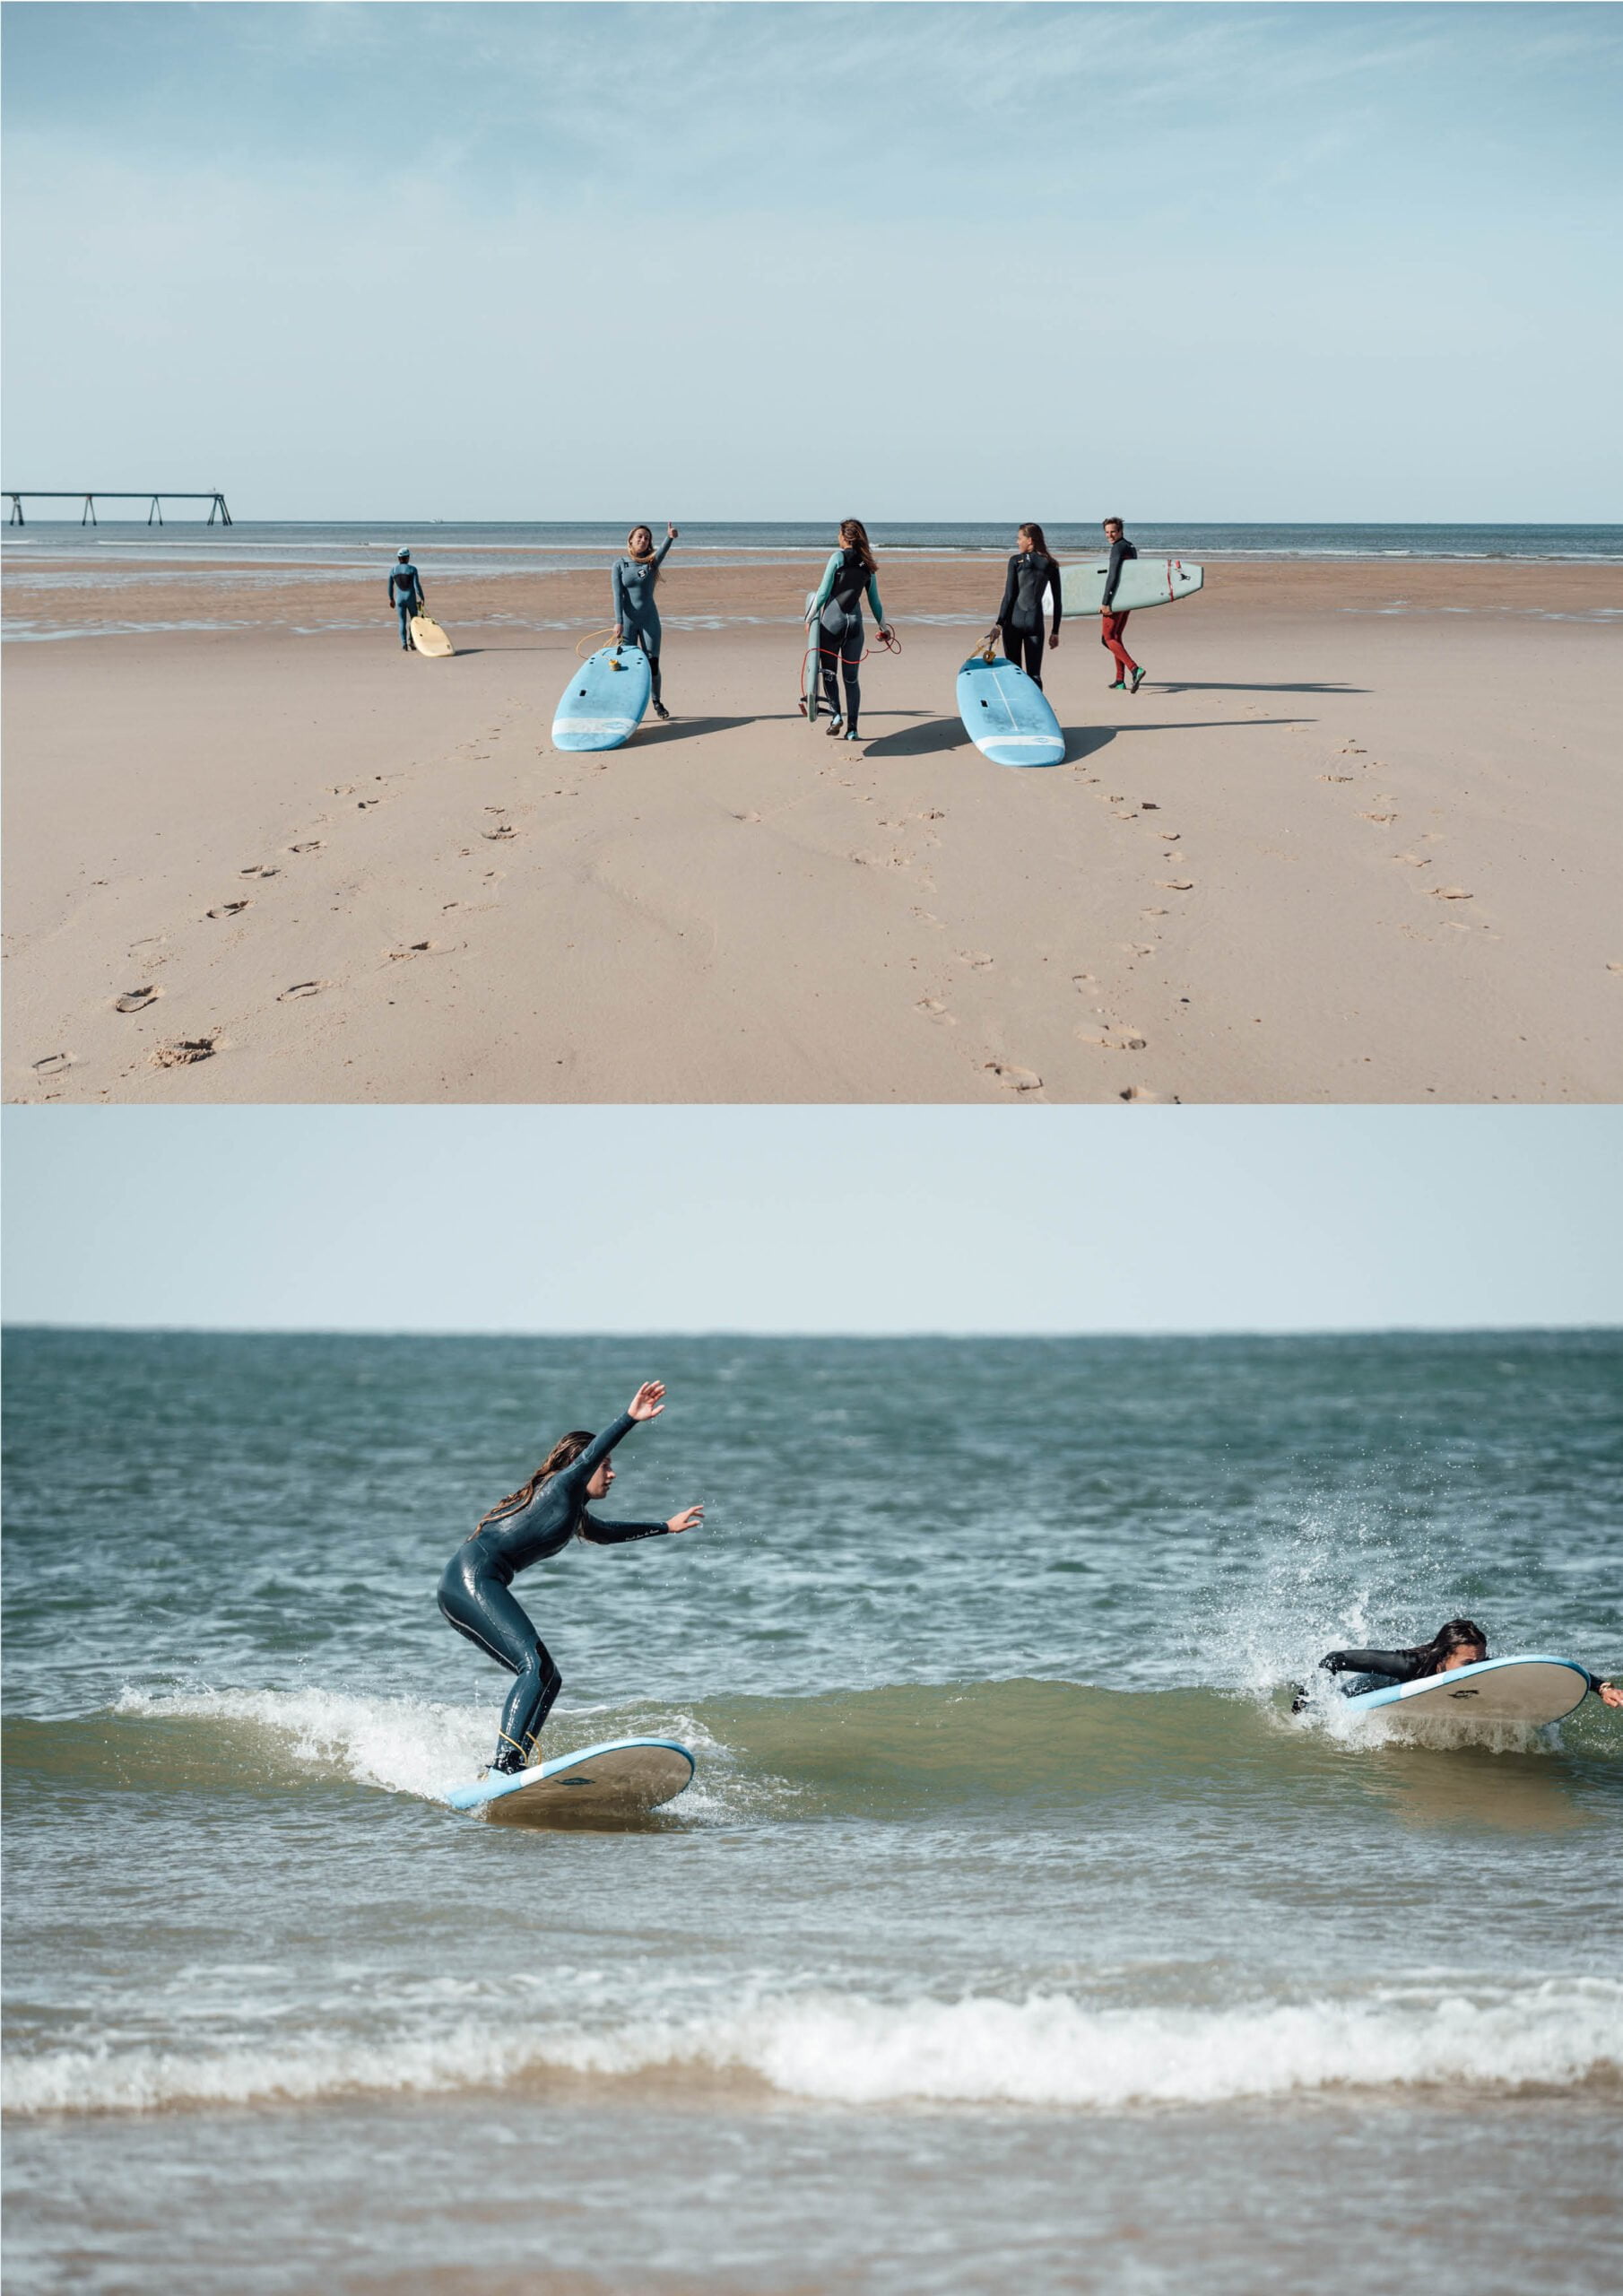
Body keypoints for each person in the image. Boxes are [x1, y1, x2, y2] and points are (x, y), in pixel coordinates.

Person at [438, 1379, 703, 1775]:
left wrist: (665, 1526)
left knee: (548, 1676)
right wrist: (630, 1418)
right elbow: (588, 1457)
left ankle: (513, 1764)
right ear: (585, 1466)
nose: (612, 1473)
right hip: (470, 1580)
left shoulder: (572, 1510)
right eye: (606, 1465)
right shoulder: (561, 1487)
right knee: (533, 1667)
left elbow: (606, 1533)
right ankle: (504, 1764)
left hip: (472, 1583)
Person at [1300, 1617, 1622, 1708]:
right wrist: (1305, 1700)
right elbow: (1333, 1659)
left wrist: (1602, 1687)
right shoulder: (1406, 1664)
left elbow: (1539, 1671)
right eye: (1468, 1663)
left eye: (1480, 1660)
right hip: (1373, 1689)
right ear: (1443, 1657)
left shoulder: (1476, 1665)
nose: (1477, 1667)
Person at [809, 519, 894, 742]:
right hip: (855, 626)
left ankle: (836, 716)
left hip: (832, 624)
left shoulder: (837, 558)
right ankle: (853, 730)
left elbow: (823, 593)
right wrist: (884, 628)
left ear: (844, 536)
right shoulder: (868, 564)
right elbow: (875, 602)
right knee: (851, 679)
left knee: (829, 673)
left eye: (838, 533)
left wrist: (809, 619)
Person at [612, 523, 679, 720]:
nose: (643, 540)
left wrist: (670, 538)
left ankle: (657, 701)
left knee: (653, 663)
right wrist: (618, 622)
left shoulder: (651, 563)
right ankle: (628, 704)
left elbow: (662, 552)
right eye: (640, 536)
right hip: (628, 622)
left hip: (649, 620)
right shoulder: (620, 565)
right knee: (628, 665)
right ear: (631, 539)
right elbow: (617, 596)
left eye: (647, 538)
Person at [988, 523, 1063, 687]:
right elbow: (1058, 601)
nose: (1017, 542)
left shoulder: (1015, 561)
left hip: (1013, 623)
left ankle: (1016, 702)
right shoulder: (1051, 563)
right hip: (1035, 623)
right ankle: (1037, 703)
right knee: (1034, 675)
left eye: (1019, 538)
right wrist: (1055, 631)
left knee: (1014, 672)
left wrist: (999, 624)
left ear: (1030, 540)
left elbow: (1009, 596)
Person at [1099, 517, 1145, 694]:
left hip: (1116, 599)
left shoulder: (1117, 548)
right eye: (1107, 532)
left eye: (1113, 532)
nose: (1110, 535)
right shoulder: (1130, 547)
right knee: (1115, 638)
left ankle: (1135, 669)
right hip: (1127, 599)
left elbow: (1113, 575)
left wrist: (1106, 602)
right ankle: (1120, 680)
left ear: (1120, 532)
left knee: (1107, 638)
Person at [388, 549, 425, 652]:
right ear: (408, 557)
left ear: (398, 558)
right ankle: (412, 642)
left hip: (399, 599)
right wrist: (422, 597)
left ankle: (404, 644)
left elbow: (390, 587)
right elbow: (417, 586)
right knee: (413, 621)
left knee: (402, 622)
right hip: (410, 598)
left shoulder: (393, 570)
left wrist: (391, 599)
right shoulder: (412, 569)